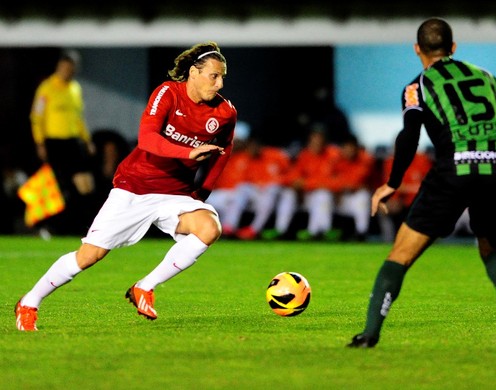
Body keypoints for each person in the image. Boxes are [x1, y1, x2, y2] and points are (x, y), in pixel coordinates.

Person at [15, 41, 237, 331]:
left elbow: (223, 154)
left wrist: (200, 194)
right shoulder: (168, 92)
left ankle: (145, 287)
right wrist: (187, 152)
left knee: (210, 227)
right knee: (90, 255)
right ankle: (30, 302)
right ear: (194, 73)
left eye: (222, 77)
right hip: (135, 186)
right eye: (214, 76)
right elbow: (146, 139)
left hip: (175, 194)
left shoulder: (225, 112)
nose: (219, 83)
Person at [348, 18, 496, 349]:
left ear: (417, 49)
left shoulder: (417, 86)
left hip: (453, 172)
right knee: (493, 250)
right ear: (453, 48)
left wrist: (392, 182)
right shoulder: (487, 78)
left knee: (400, 255)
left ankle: (370, 334)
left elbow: (409, 136)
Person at [29, 49, 97, 236]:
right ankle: (48, 226)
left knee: (86, 184)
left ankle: (86, 227)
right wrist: (40, 143)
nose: (67, 70)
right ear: (59, 67)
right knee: (58, 186)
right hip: (54, 142)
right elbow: (37, 117)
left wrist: (86, 139)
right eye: (65, 66)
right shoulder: (46, 88)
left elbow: (78, 117)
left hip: (73, 141)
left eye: (71, 67)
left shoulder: (75, 88)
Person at [233, 137, 292, 240]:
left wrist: (274, 181)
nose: (252, 149)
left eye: (254, 146)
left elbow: (290, 174)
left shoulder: (274, 155)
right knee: (242, 188)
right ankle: (229, 226)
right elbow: (242, 180)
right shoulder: (245, 158)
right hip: (256, 193)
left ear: (260, 146)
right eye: (250, 147)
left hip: (274, 192)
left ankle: (255, 229)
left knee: (276, 191)